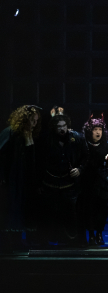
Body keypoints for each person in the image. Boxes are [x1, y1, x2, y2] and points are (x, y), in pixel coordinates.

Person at [40, 111, 89, 245]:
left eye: (64, 126)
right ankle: (52, 240)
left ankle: (71, 241)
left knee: (71, 214)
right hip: (51, 183)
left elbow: (86, 157)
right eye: (59, 126)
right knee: (52, 214)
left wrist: (79, 169)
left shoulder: (77, 138)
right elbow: (39, 161)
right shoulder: (46, 139)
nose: (62, 129)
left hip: (70, 184)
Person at [0, 105, 42, 251]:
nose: (34, 124)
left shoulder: (28, 135)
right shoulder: (11, 132)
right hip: (11, 178)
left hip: (23, 178)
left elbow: (30, 160)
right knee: (11, 208)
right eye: (32, 120)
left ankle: (18, 239)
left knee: (21, 208)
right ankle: (9, 241)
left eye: (36, 121)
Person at [78, 114, 108, 246]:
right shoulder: (84, 143)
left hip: (101, 181)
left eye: (100, 129)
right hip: (87, 181)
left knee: (102, 208)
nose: (98, 132)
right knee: (89, 209)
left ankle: (99, 233)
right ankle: (91, 234)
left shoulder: (106, 144)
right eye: (95, 129)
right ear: (89, 131)